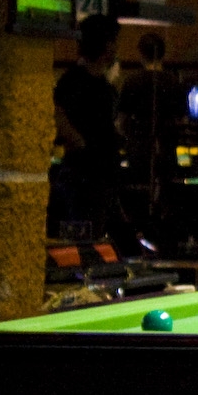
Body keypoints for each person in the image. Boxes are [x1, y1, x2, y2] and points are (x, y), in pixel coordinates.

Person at [52, 13, 122, 236]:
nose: (116, 48)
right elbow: (57, 115)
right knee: (88, 238)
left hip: (95, 174)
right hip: (85, 177)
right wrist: (80, 143)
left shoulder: (88, 81)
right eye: (113, 41)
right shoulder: (77, 82)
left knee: (92, 236)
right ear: (106, 45)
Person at [115, 32, 188, 193]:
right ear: (163, 53)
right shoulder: (174, 82)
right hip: (167, 149)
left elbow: (121, 120)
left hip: (138, 150)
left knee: (139, 192)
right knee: (167, 192)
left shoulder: (131, 81)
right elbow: (182, 120)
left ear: (141, 54)